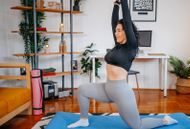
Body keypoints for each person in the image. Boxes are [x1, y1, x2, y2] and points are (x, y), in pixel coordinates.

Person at [68, 0, 178, 128]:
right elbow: (113, 22)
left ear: (127, 31)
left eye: (119, 30)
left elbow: (127, 18)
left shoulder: (131, 46)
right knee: (82, 89)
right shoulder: (118, 45)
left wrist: (124, 2)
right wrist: (116, 4)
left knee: (137, 126)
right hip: (107, 89)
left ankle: (165, 120)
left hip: (121, 92)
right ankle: (83, 119)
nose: (116, 33)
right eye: (116, 31)